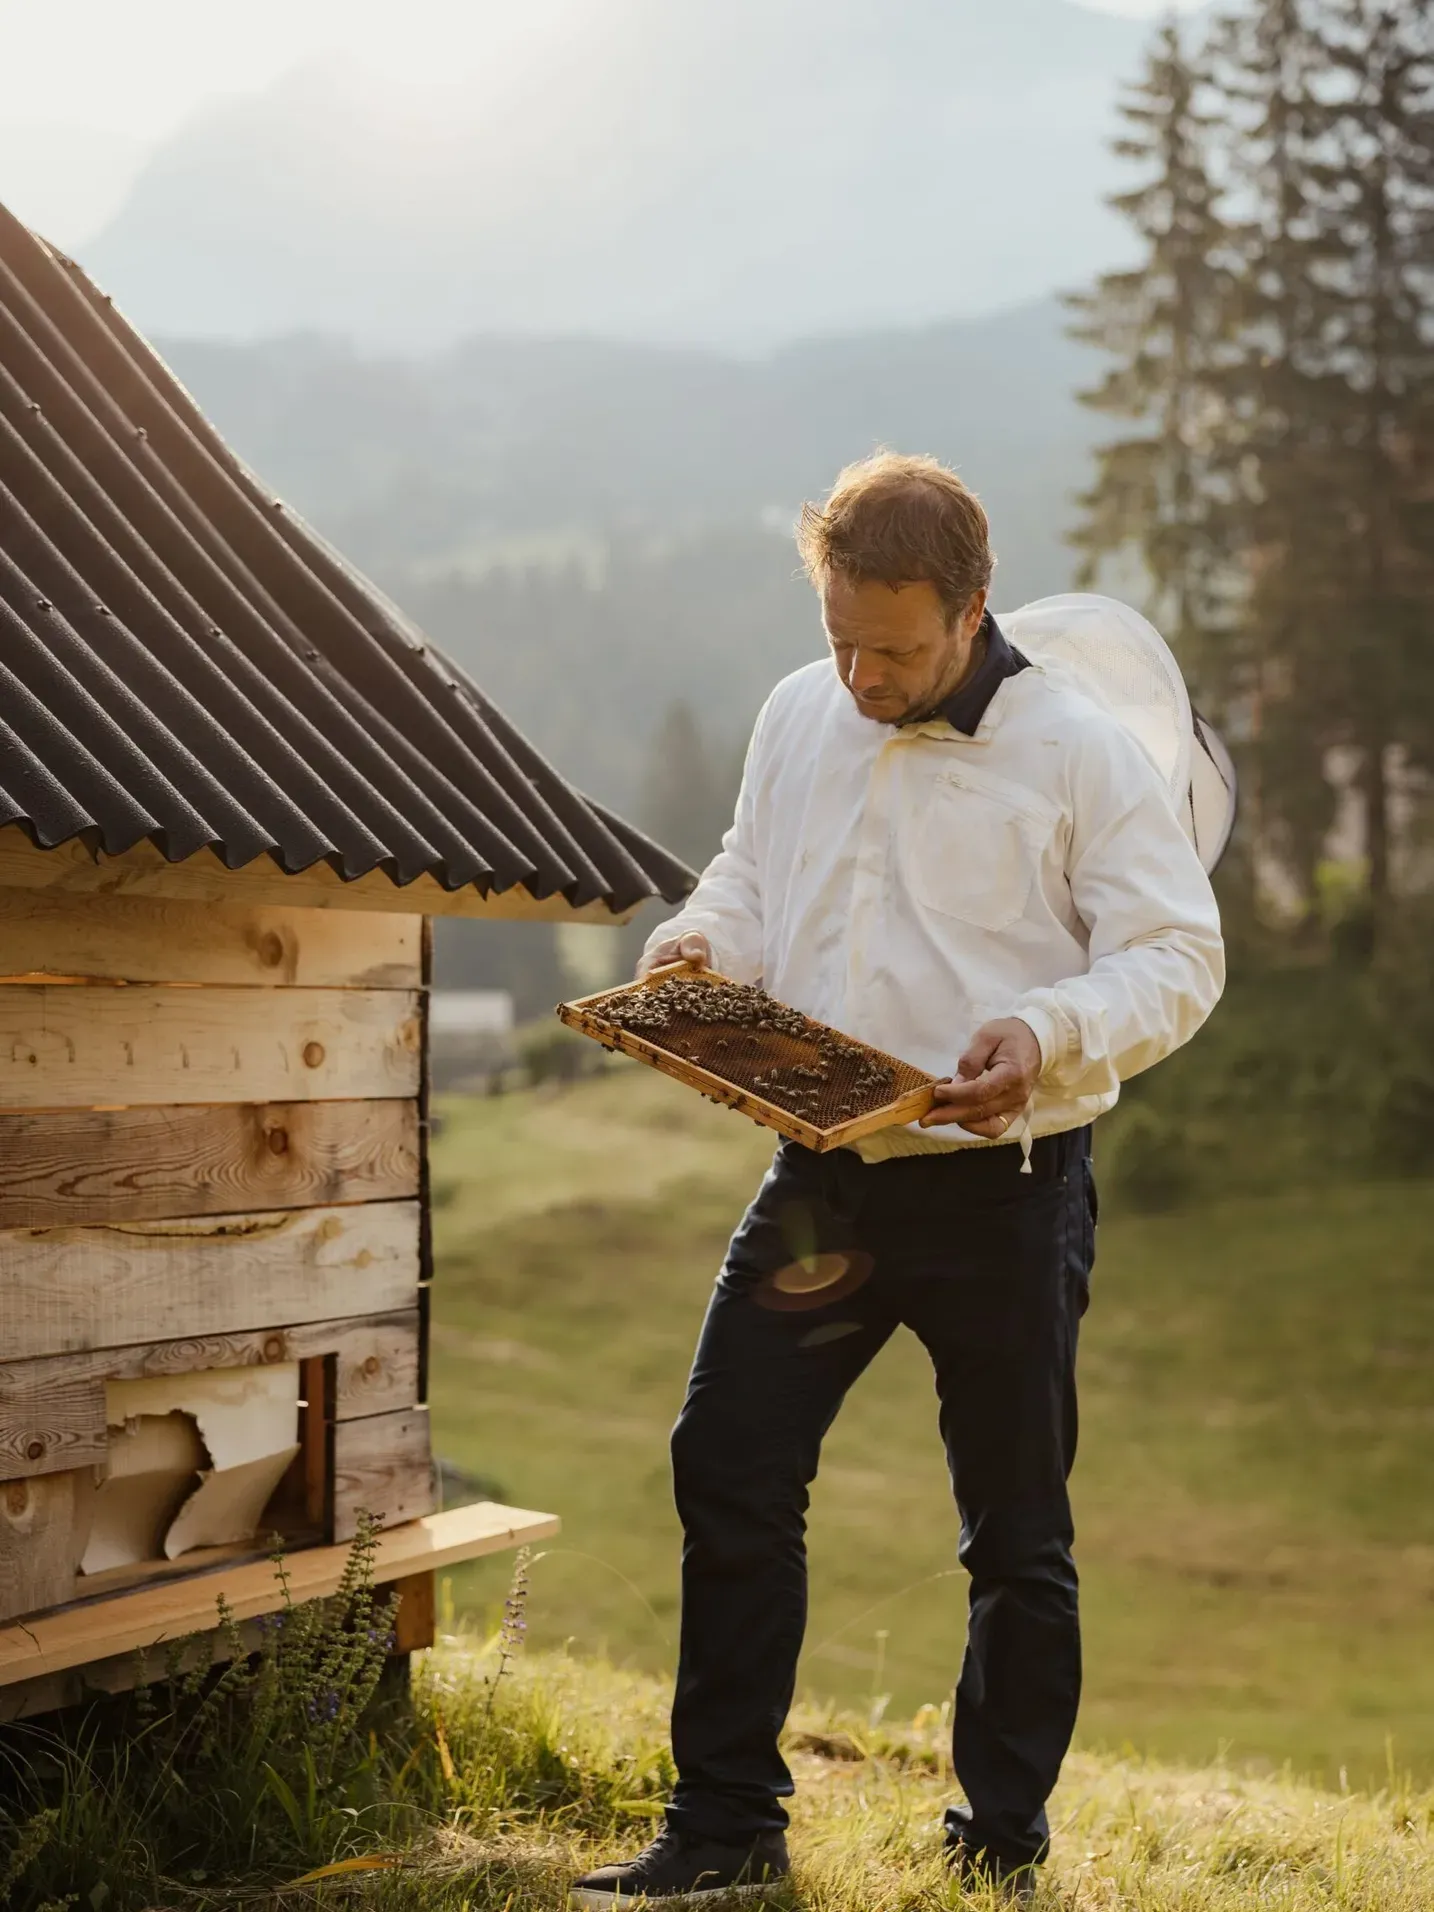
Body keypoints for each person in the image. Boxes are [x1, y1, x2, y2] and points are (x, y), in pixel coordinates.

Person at [569, 453, 1224, 1909]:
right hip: (820, 1176)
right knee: (726, 1462)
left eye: (893, 648)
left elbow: (1179, 955)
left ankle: (997, 1844)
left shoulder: (1079, 749)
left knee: (1012, 1531)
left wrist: (1048, 1030)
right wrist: (699, 944)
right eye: (838, 639)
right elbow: (750, 871)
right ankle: (726, 1825)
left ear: (973, 611)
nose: (858, 675)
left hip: (1005, 1189)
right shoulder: (800, 708)